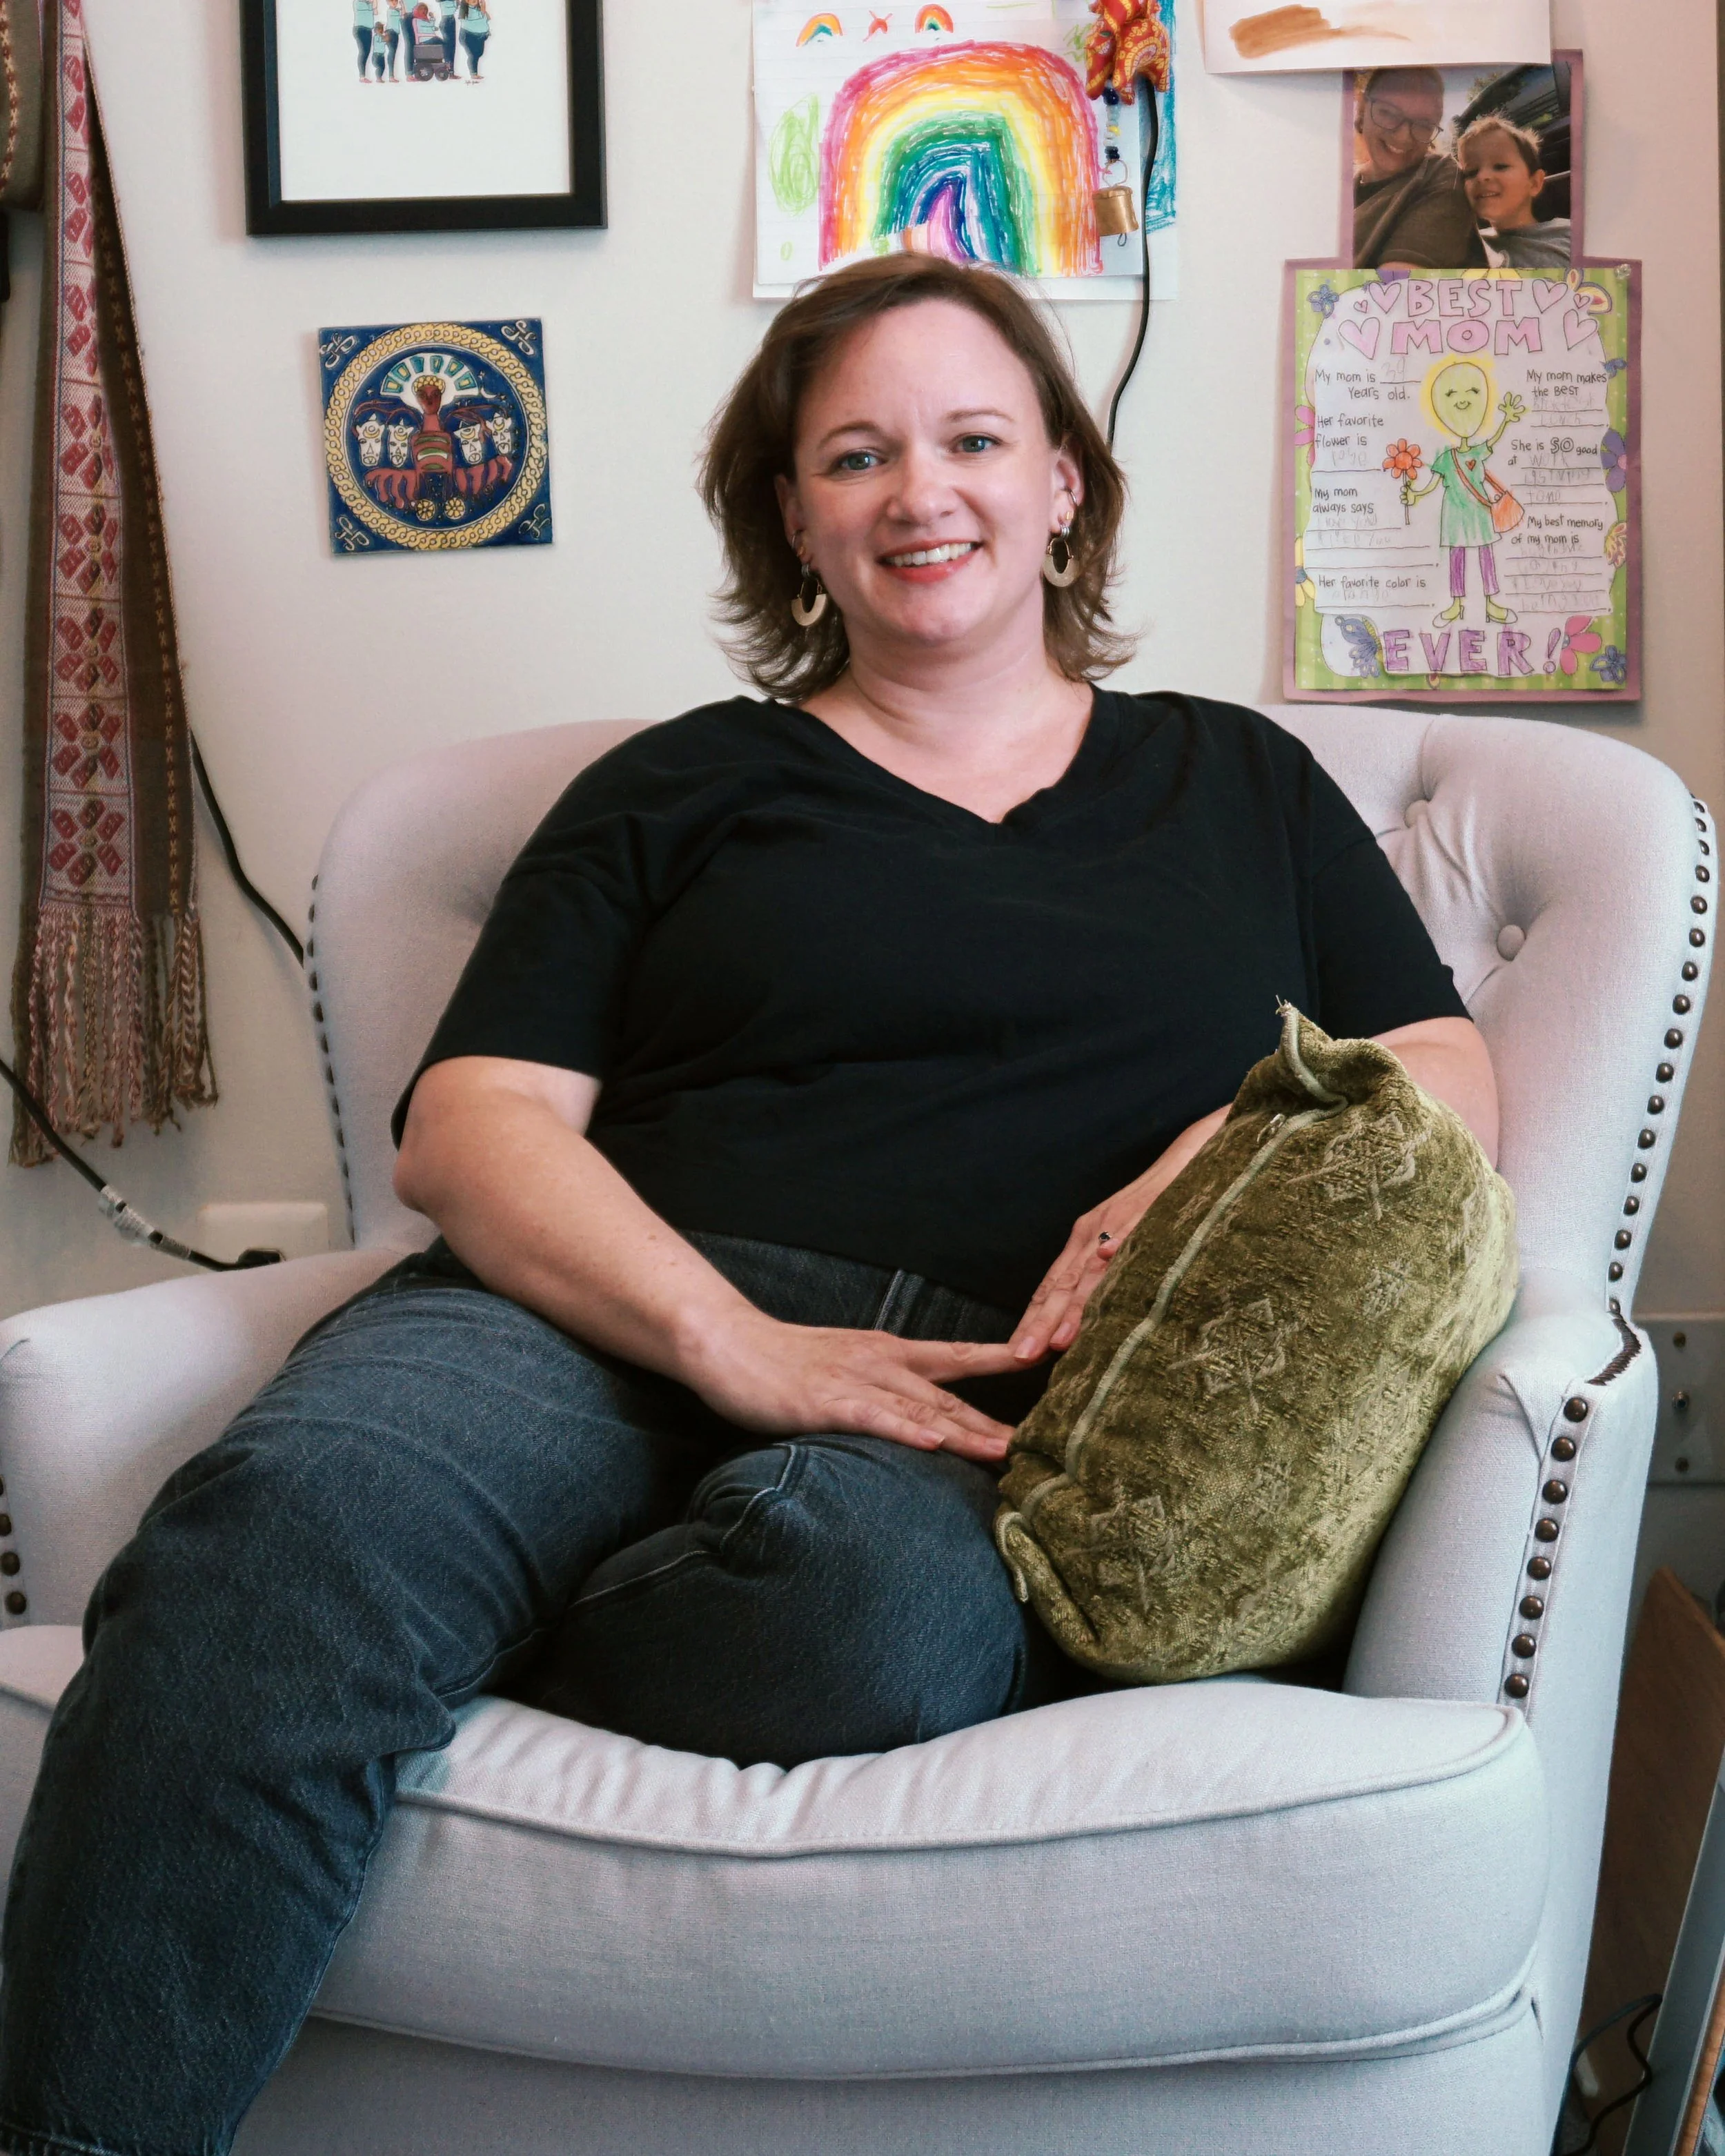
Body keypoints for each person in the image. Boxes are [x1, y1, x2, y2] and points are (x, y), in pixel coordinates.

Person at [0, 255, 1497, 2156]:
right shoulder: (674, 787)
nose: (916, 491)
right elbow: (471, 1125)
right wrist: (732, 1338)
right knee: (291, 1527)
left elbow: (1439, 1077)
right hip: (585, 1319)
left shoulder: (1245, 782)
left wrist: (1204, 1151)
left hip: (964, 1396)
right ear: (792, 517)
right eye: (853, 454)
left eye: (970, 438)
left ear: (1062, 484)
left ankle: (449, 1625)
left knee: (862, 1626)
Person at [1398, 359, 1527, 626]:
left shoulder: (1479, 451)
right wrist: (1415, 496)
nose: (1462, 402)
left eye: (1472, 394)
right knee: (1457, 558)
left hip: (1479, 513)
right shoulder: (1446, 457)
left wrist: (1506, 419)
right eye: (1452, 396)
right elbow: (1432, 486)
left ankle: (1492, 604)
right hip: (1455, 515)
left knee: (1486, 555)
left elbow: (1494, 440)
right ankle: (1457, 605)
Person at [1352, 66, 1483, 271]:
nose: (1404, 137)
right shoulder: (1337, 186)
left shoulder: (1440, 174)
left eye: (1423, 125)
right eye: (1388, 113)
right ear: (1362, 109)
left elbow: (1398, 292)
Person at [1457, 114, 1572, 270]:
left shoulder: (1569, 234)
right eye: (1471, 172)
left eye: (1500, 166)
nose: (1482, 177)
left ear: (1534, 183)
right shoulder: (1468, 247)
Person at [460, 0, 491, 79]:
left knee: (479, 53)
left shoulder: (478, 9)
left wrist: (483, 7)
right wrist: (483, 9)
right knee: (473, 55)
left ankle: (474, 73)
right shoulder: (466, 10)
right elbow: (475, 21)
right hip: (468, 36)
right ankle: (473, 74)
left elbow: (488, 19)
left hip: (480, 36)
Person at [351, 0, 375, 80]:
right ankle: (362, 77)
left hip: (368, 30)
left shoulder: (368, 3)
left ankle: (363, 76)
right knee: (363, 52)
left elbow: (375, 10)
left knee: (366, 52)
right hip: (360, 29)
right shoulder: (358, 2)